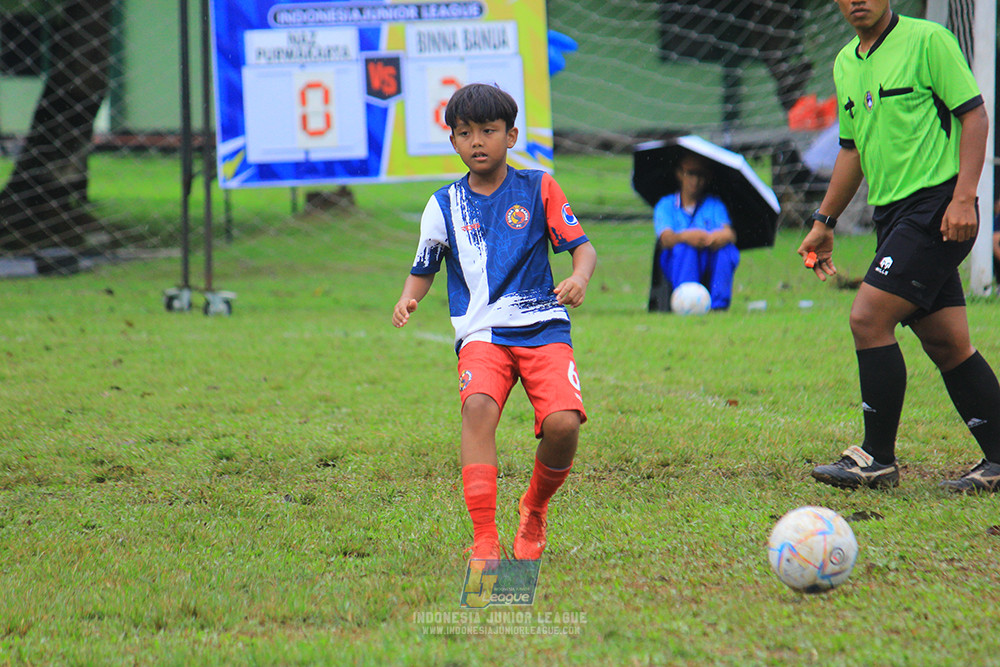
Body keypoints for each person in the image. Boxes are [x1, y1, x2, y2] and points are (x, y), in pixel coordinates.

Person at [798, 0, 1000, 493]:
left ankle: (877, 458)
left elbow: (974, 117)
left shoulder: (928, 41)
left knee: (867, 318)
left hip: (937, 208)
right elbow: (851, 150)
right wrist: (825, 221)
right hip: (892, 217)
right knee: (947, 342)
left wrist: (964, 198)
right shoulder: (845, 62)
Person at [392, 84, 598, 562]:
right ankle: (485, 536)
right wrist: (407, 298)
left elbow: (582, 248)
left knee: (564, 425)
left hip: (544, 327)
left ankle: (534, 508)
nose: (477, 141)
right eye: (465, 133)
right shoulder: (443, 204)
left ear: (511, 136)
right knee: (478, 408)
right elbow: (424, 267)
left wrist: (579, 277)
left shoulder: (539, 188)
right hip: (481, 334)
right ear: (453, 141)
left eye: (488, 130)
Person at [654, 152, 739, 310]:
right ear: (680, 174)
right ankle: (687, 302)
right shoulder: (666, 205)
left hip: (708, 256)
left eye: (701, 175)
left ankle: (719, 306)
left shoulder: (714, 205)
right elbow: (665, 238)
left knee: (726, 250)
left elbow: (730, 233)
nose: (695, 180)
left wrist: (715, 237)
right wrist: (686, 237)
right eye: (691, 173)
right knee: (686, 249)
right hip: (678, 260)